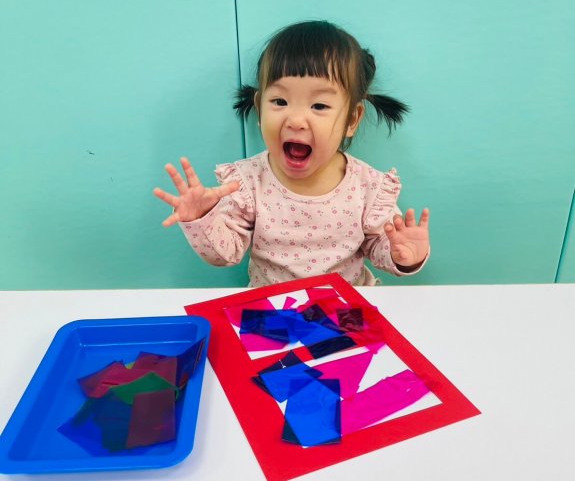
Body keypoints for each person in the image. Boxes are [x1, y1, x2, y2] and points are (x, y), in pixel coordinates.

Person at [153, 20, 430, 286]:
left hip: (343, 309)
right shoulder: (247, 182)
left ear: (352, 119)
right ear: (260, 108)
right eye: (280, 101)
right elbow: (225, 254)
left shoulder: (367, 186)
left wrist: (403, 254)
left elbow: (381, 246)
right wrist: (202, 218)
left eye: (319, 106)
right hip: (272, 309)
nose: (296, 120)